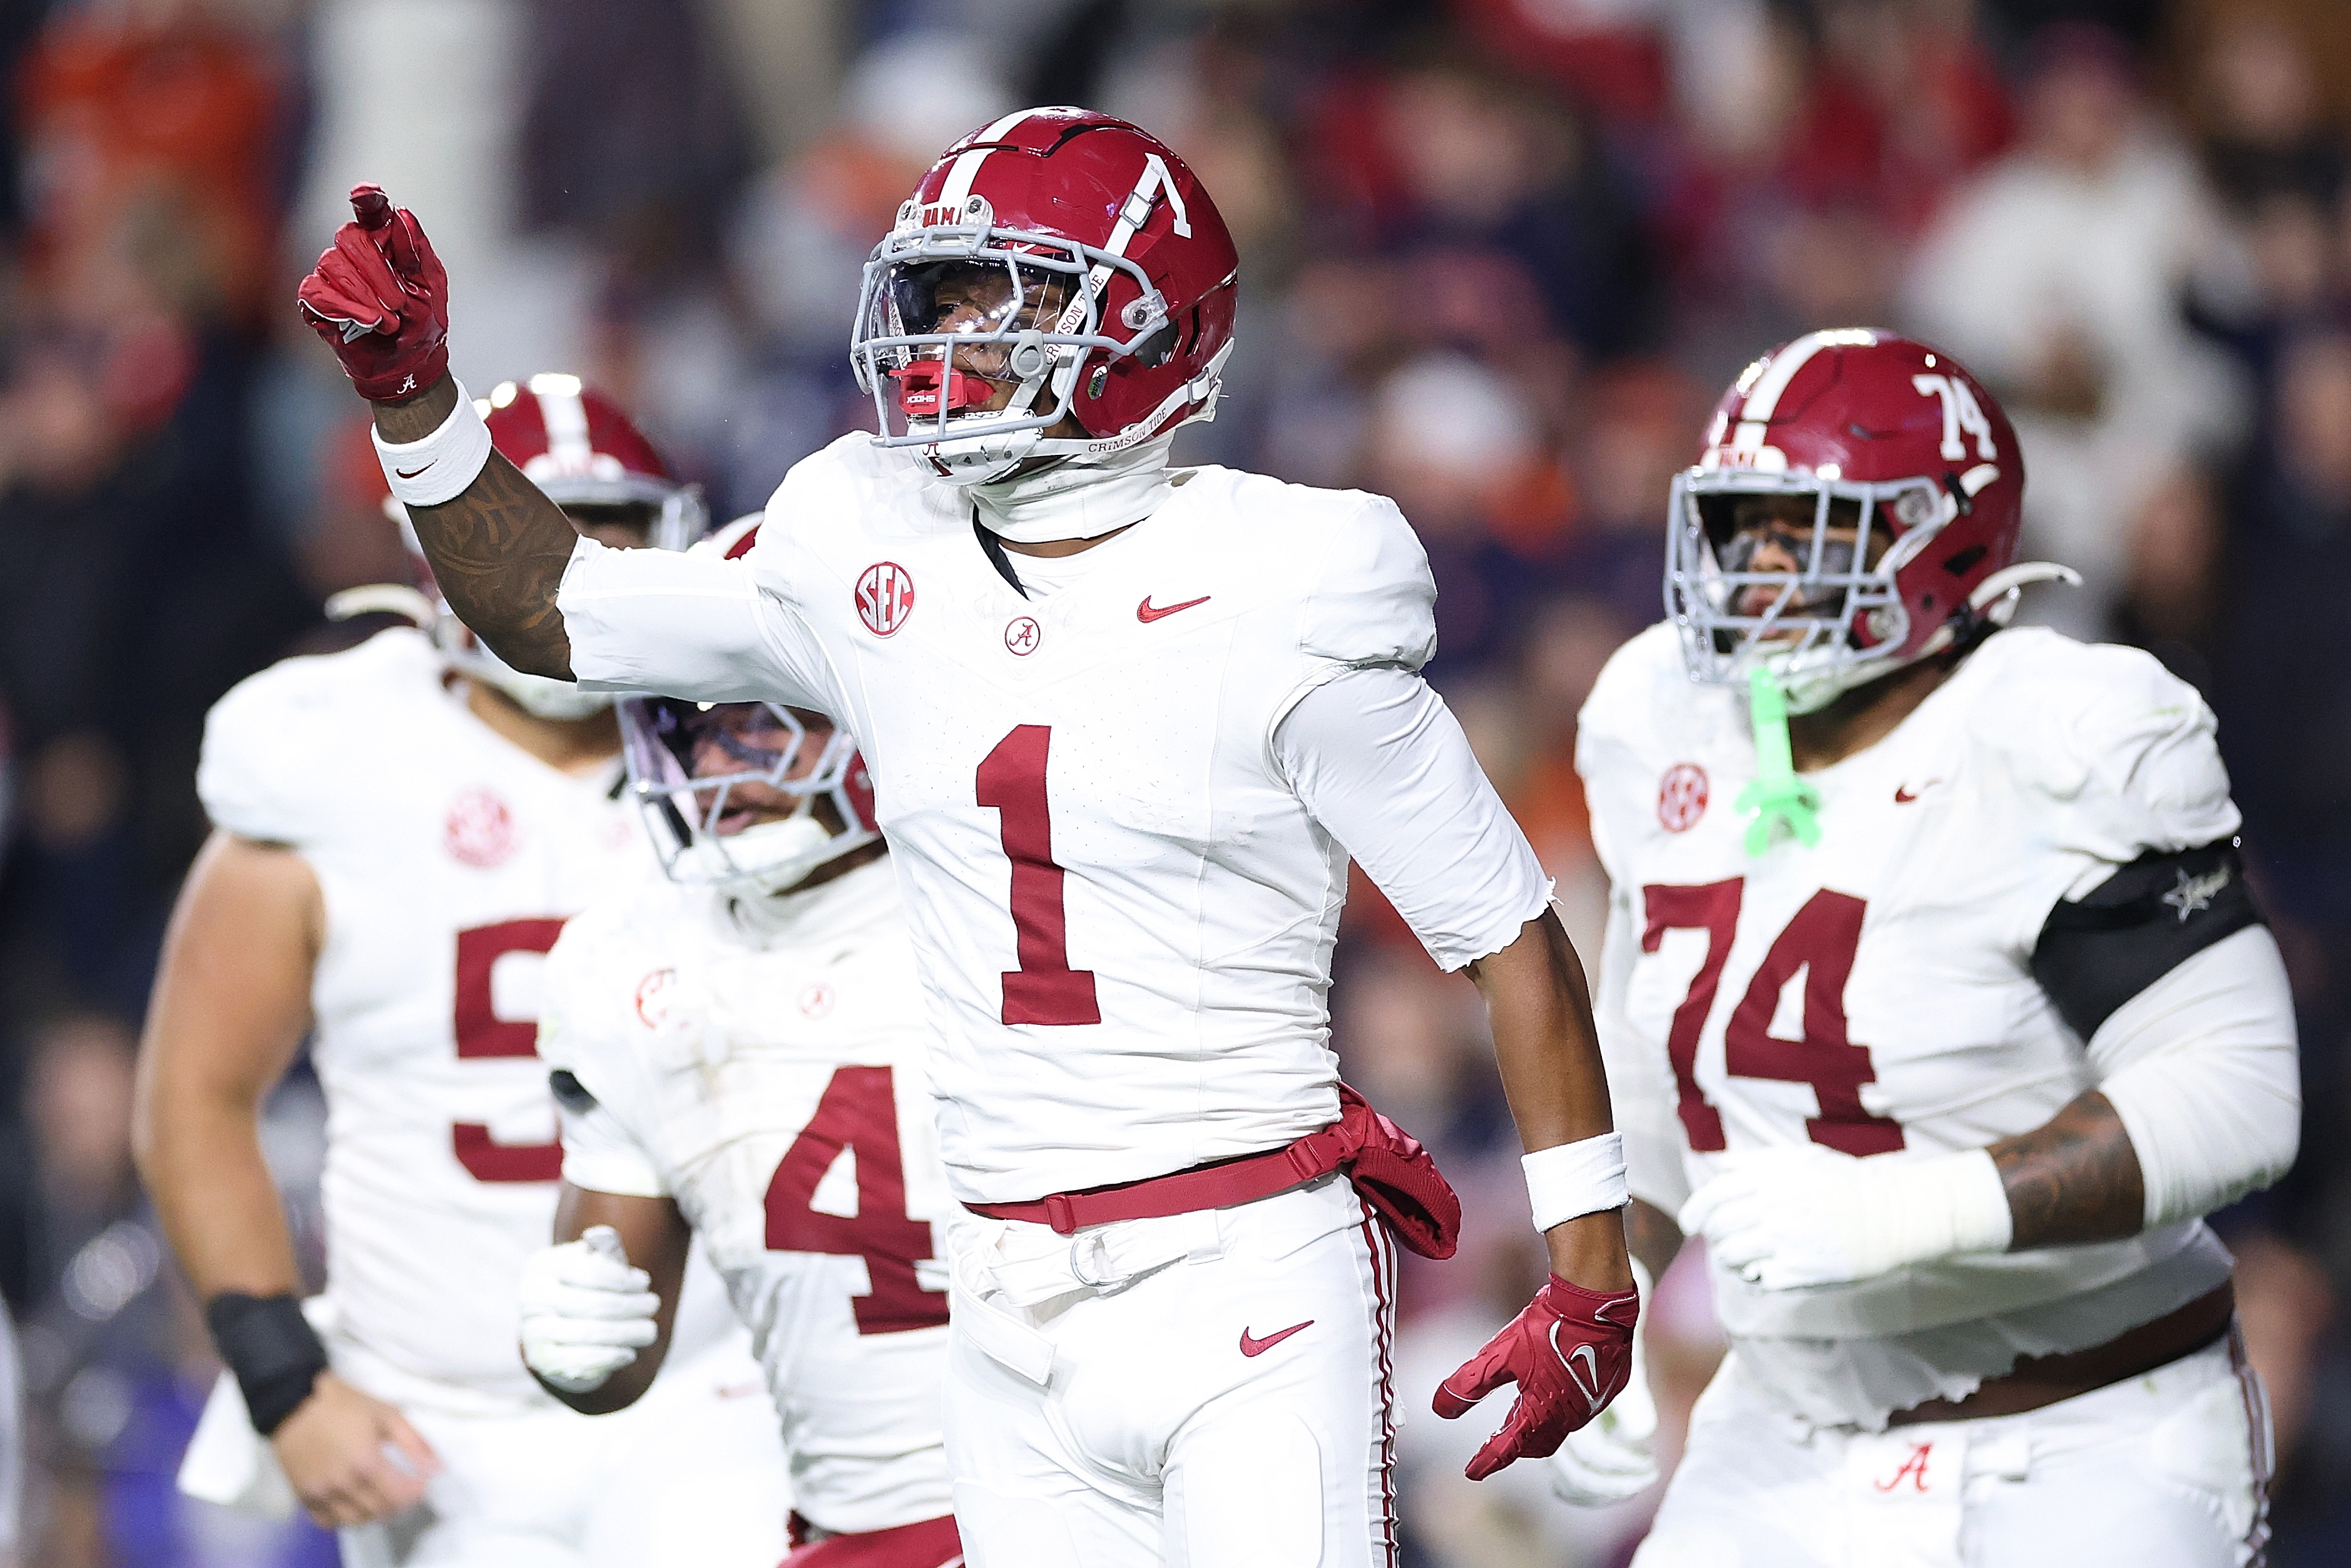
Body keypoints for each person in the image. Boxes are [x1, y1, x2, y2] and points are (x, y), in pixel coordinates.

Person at [294, 118, 1638, 1567]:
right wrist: (417, 402)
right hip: (1000, 1297)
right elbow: (561, 617)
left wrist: (1590, 1272)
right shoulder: (864, 532)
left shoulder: (1285, 580)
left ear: (1154, 322)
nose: (956, 336)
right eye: (942, 295)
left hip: (1242, 1264)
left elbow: (1507, 935)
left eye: (1011, 295)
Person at [1551, 327, 2297, 1565]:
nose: (1760, 569)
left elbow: (2238, 1093)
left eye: (1810, 532)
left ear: (1937, 539)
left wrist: (1906, 1210)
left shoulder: (2055, 732)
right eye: (1742, 527)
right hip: (1783, 1429)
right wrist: (1604, 1296)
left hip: (2083, 1431)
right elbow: (1650, 1065)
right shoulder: (1658, 715)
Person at [133, 377, 790, 1567]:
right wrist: (287, 1384)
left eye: (609, 533)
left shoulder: (756, 757)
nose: (562, 568)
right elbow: (195, 1093)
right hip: (435, 1410)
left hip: (718, 1384)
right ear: (436, 549)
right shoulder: (331, 750)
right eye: (535, 527)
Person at [516, 535, 960, 1565]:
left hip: (1086, 1507)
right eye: (693, 726)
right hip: (853, 1521)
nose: (722, 763)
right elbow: (617, 1332)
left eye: (766, 717)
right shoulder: (625, 960)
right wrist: (577, 1338)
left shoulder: (1011, 903)